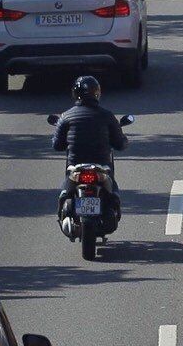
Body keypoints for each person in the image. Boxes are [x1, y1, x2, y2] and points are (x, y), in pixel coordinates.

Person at [52, 75, 128, 234]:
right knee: (113, 190)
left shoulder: (66, 116)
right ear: (97, 93)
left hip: (75, 165)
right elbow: (120, 144)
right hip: (102, 165)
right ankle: (113, 205)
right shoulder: (107, 115)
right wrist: (123, 140)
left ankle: (61, 209)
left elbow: (57, 145)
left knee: (65, 191)